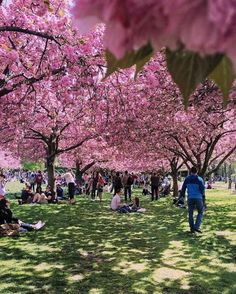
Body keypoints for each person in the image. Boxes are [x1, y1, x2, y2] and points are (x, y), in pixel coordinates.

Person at [181, 167, 205, 234]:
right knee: (200, 211)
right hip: (198, 197)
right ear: (197, 171)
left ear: (190, 171)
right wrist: (203, 197)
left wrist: (182, 196)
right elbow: (202, 190)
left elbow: (183, 189)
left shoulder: (187, 179)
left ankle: (192, 228)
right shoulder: (200, 179)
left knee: (190, 213)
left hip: (190, 197)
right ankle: (196, 226)